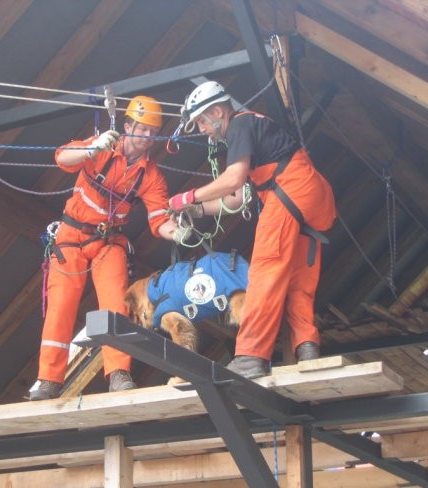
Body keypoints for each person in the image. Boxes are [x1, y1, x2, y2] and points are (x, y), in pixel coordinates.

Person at [169, 81, 336, 378]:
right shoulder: (255, 129)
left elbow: (233, 179)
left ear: (217, 111)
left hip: (289, 193)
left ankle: (250, 356)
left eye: (201, 122)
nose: (203, 130)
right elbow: (235, 198)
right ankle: (307, 346)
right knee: (297, 280)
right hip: (311, 199)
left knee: (264, 271)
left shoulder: (239, 126)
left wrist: (188, 196)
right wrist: (198, 209)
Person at [30, 95, 184, 400]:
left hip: (108, 242)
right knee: (60, 307)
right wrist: (93, 146)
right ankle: (49, 380)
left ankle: (118, 373)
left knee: (117, 306)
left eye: (153, 133)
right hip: (70, 239)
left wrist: (178, 233)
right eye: (143, 130)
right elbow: (62, 157)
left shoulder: (150, 176)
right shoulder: (101, 148)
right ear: (128, 125)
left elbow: (158, 219)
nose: (148, 138)